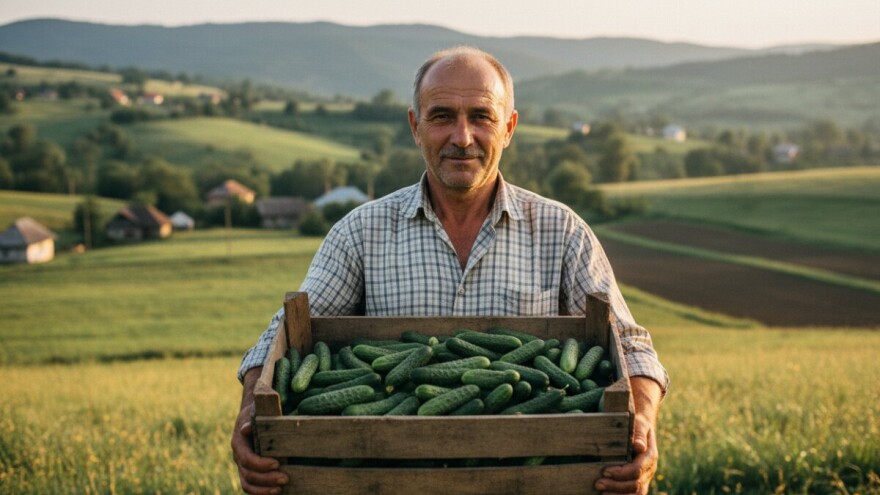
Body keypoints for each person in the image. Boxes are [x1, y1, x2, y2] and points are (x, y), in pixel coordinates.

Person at [231, 45, 669, 495]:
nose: (462, 137)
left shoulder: (562, 231)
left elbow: (629, 344)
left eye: (481, 116)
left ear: (510, 127)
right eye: (442, 116)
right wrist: (252, 411)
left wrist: (642, 426)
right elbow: (285, 334)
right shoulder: (359, 233)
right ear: (414, 127)